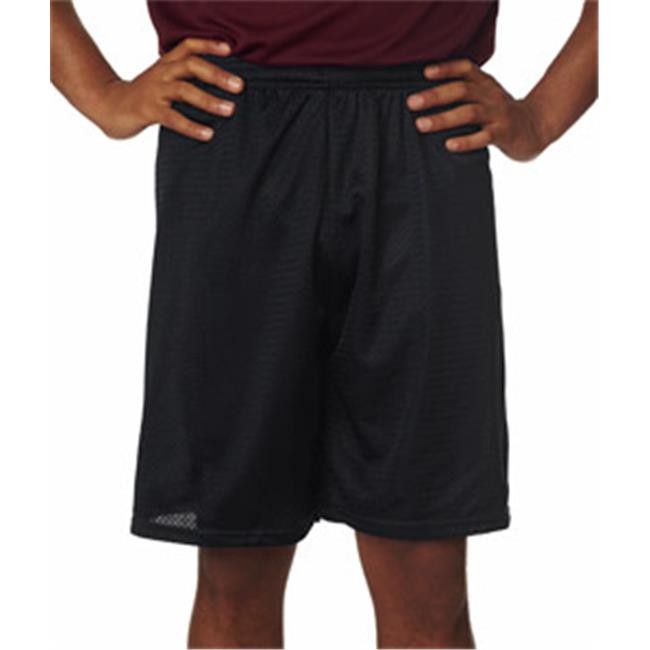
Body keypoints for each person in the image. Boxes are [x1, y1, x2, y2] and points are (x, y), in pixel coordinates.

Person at [50, 1, 598, 647]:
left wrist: (541, 116)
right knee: (234, 565)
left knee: (426, 574)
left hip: (424, 132)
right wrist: (102, 94)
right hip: (231, 125)